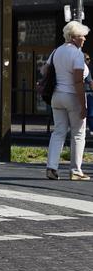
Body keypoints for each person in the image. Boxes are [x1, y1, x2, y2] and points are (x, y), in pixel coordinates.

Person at [45, 21, 90, 181]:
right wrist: (83, 105)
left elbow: (45, 70)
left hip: (57, 96)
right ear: (72, 37)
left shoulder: (56, 51)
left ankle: (51, 167)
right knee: (78, 134)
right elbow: (78, 81)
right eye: (81, 36)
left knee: (58, 132)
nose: (84, 39)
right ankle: (76, 170)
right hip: (72, 96)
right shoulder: (77, 54)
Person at [84, 52, 93, 135]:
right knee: (90, 113)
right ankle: (92, 129)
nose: (89, 60)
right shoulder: (86, 68)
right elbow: (90, 82)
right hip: (87, 94)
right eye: (87, 59)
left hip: (83, 93)